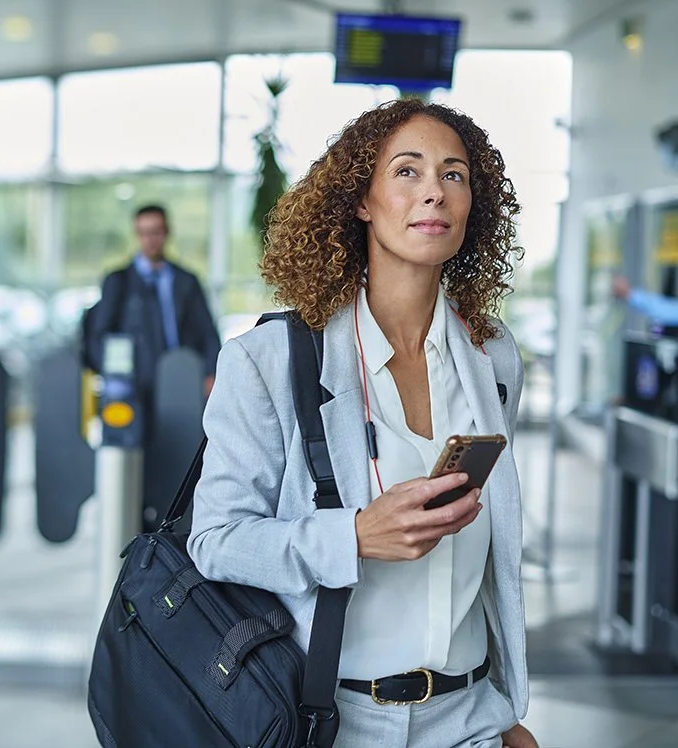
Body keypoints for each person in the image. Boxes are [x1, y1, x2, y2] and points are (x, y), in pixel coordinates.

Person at [187, 99, 539, 748]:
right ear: (361, 200)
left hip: (469, 722)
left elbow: (488, 562)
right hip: (332, 723)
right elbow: (215, 539)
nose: (434, 189)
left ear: (472, 208)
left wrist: (504, 710)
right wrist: (352, 536)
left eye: (453, 175)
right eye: (407, 171)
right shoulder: (266, 362)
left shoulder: (493, 358)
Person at [83, 204, 223, 400]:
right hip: (135, 386)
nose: (151, 240)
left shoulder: (186, 281)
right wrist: (114, 377)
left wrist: (211, 372)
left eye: (156, 232)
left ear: (166, 232)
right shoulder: (119, 282)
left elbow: (207, 331)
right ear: (137, 235)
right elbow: (100, 334)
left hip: (182, 379)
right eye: (144, 233)